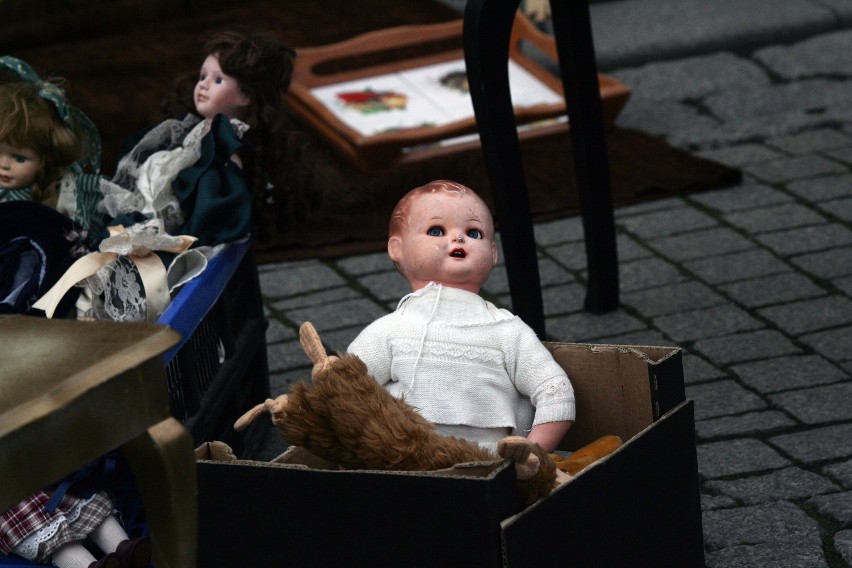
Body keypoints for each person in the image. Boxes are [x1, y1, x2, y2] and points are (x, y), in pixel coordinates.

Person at [347, 180, 575, 453]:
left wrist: (532, 453)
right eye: (436, 230)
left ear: (492, 254)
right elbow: (344, 387)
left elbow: (556, 392)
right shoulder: (392, 330)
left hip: (487, 468)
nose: (457, 238)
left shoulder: (506, 331)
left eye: (474, 233)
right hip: (403, 462)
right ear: (397, 248)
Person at [99, 29, 297, 248]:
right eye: (203, 76)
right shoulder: (192, 132)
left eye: (218, 80)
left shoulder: (224, 154)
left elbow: (207, 214)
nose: (203, 84)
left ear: (246, 95)